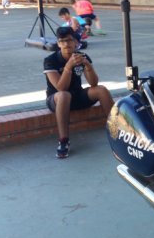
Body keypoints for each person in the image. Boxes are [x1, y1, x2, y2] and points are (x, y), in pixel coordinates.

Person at [43, 26, 113, 158]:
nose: (66, 44)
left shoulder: (82, 56)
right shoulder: (50, 60)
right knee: (64, 95)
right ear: (58, 43)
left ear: (76, 42)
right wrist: (68, 67)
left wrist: (88, 66)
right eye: (62, 41)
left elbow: (93, 83)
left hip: (77, 96)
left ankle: (117, 131)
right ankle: (63, 141)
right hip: (56, 100)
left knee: (101, 90)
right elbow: (60, 87)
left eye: (69, 40)